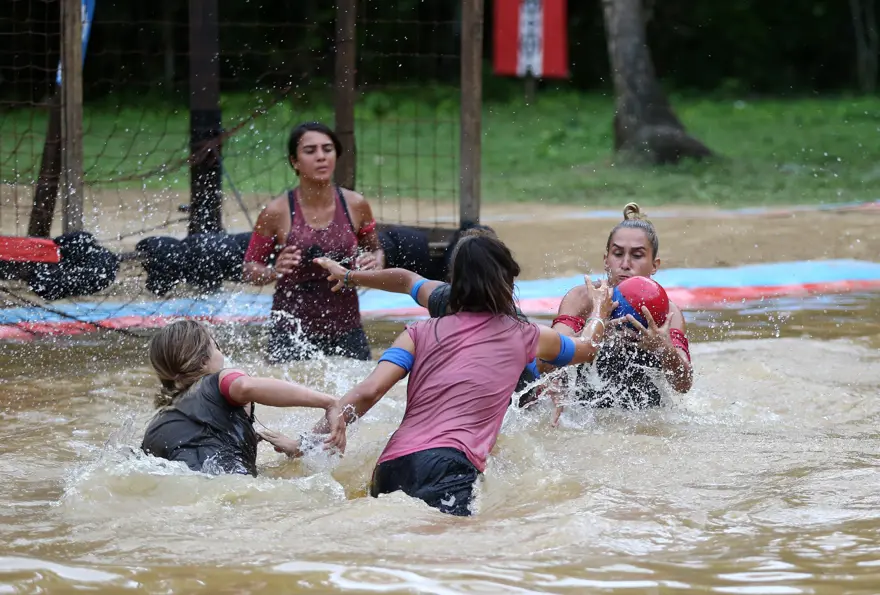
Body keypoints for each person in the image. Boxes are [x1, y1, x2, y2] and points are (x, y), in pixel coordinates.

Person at [265, 234, 615, 516]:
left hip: (389, 467)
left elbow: (368, 392)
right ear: (509, 281)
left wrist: (308, 443)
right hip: (447, 467)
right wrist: (600, 307)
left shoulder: (417, 331)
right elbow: (587, 348)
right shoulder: (526, 335)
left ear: (453, 282)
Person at [312, 226, 542, 404]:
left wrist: (349, 276)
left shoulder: (446, 299)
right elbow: (405, 279)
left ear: (453, 277)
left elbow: (406, 280)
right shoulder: (521, 328)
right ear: (509, 280)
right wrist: (348, 276)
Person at [242, 122, 384, 363]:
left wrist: (375, 262)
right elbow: (249, 268)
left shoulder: (356, 204)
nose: (321, 157)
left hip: (347, 328)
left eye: (327, 149)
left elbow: (376, 250)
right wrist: (274, 272)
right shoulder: (276, 211)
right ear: (294, 161)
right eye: (310, 151)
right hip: (291, 332)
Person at [546, 203, 693, 420]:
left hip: (645, 416)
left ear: (654, 265)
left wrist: (664, 349)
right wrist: (592, 332)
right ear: (606, 259)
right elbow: (547, 358)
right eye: (617, 254)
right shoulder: (584, 299)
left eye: (637, 255)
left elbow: (684, 384)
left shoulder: (667, 312)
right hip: (583, 416)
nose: (625, 264)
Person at [141, 320, 344, 476]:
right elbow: (244, 386)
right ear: (203, 361)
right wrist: (328, 402)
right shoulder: (217, 381)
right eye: (215, 345)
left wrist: (294, 447)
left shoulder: (160, 420)